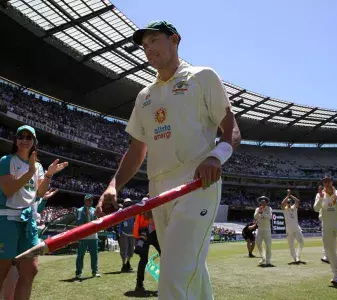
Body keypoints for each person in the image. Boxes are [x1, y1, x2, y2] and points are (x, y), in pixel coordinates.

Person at [95, 20, 241, 300]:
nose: (149, 50)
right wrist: (114, 184)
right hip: (158, 192)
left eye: (154, 41)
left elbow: (232, 129)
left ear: (174, 40)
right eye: (144, 46)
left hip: (196, 185)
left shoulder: (202, 77)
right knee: (191, 273)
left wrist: (216, 156)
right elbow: (137, 150)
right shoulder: (144, 96)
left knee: (172, 277)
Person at [0, 125, 68, 300]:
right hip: (6, 219)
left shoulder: (38, 166)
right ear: (15, 140)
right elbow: (9, 190)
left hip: (28, 221)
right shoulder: (6, 161)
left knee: (30, 271)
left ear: (34, 142)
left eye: (29, 137)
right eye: (21, 136)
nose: (25, 140)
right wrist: (30, 172)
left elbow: (40, 193)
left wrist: (48, 175)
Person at [1, 188, 59, 300]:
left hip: (30, 229)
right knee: (8, 268)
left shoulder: (35, 198)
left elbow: (38, 210)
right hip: (15, 225)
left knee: (26, 270)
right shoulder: (22, 193)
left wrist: (44, 199)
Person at [133, 206, 161, 293]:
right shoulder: (146, 202)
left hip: (152, 233)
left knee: (164, 256)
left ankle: (139, 284)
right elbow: (146, 215)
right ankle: (139, 284)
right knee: (143, 259)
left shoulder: (153, 202)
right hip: (145, 234)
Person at [75, 194, 101, 279]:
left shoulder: (95, 210)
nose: (90, 201)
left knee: (94, 255)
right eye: (88, 200)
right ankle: (78, 272)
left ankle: (95, 272)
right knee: (80, 255)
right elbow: (78, 223)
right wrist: (85, 215)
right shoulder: (79, 210)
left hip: (94, 236)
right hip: (83, 237)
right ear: (84, 201)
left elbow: (98, 222)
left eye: (91, 200)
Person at [281, 190, 304, 263]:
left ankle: (298, 256)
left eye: (289, 202)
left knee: (301, 242)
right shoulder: (285, 210)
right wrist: (287, 196)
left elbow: (297, 201)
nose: (288, 203)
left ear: (291, 203)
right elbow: (282, 204)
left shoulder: (294, 208)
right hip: (289, 229)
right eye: (287, 202)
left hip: (296, 228)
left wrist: (291, 196)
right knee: (291, 244)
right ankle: (295, 258)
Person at [118, 198, 136, 273]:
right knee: (123, 249)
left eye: (129, 203)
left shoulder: (134, 212)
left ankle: (128, 263)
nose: (128, 205)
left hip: (132, 234)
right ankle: (123, 264)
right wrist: (119, 233)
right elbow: (120, 223)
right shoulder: (121, 212)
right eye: (126, 204)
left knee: (131, 249)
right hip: (124, 233)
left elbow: (136, 222)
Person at [254, 196, 272, 266]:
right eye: (261, 201)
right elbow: (255, 217)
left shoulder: (269, 208)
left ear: (266, 202)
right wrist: (259, 211)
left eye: (264, 201)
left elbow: (270, 217)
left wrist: (263, 214)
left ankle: (268, 261)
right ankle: (263, 257)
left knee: (268, 245)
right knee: (258, 243)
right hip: (260, 228)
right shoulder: (257, 209)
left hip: (267, 229)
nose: (262, 202)